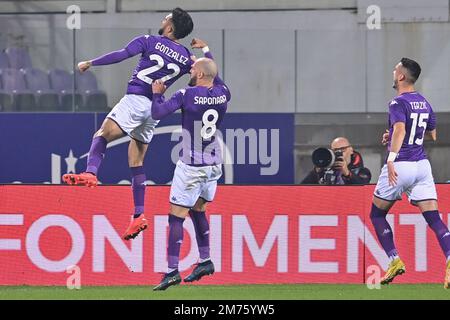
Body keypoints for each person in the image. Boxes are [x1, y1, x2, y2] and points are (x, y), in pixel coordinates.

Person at [61, 8, 194, 241]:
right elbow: (199, 75)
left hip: (135, 100)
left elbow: (121, 54)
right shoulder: (185, 57)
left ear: (170, 27)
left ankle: (91, 172)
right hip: (155, 108)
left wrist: (90, 63)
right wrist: (203, 54)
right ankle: (138, 215)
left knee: (102, 133)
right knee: (136, 160)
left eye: (166, 19)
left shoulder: (148, 40)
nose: (162, 20)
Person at [150, 39, 230, 291]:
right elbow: (215, 74)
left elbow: (157, 113)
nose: (190, 72)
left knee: (176, 217)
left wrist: (157, 93)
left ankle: (172, 270)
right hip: (214, 165)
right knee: (198, 210)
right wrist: (206, 51)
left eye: (193, 70)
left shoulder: (187, 95)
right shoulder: (223, 94)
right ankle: (205, 260)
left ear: (201, 74)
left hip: (192, 165)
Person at [370, 57, 450, 288]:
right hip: (422, 166)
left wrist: (392, 158)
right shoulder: (424, 102)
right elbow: (431, 134)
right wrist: (397, 134)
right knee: (434, 218)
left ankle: (394, 260)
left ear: (402, 76)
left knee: (376, 215)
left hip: (402, 164)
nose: (393, 72)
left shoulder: (397, 103)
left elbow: (402, 129)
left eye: (395, 69)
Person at [301, 137, 371, 185]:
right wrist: (316, 171)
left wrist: (347, 174)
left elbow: (363, 189)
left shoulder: (362, 171)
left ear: (351, 150)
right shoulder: (326, 169)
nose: (338, 153)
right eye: (335, 150)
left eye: (342, 149)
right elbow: (303, 187)